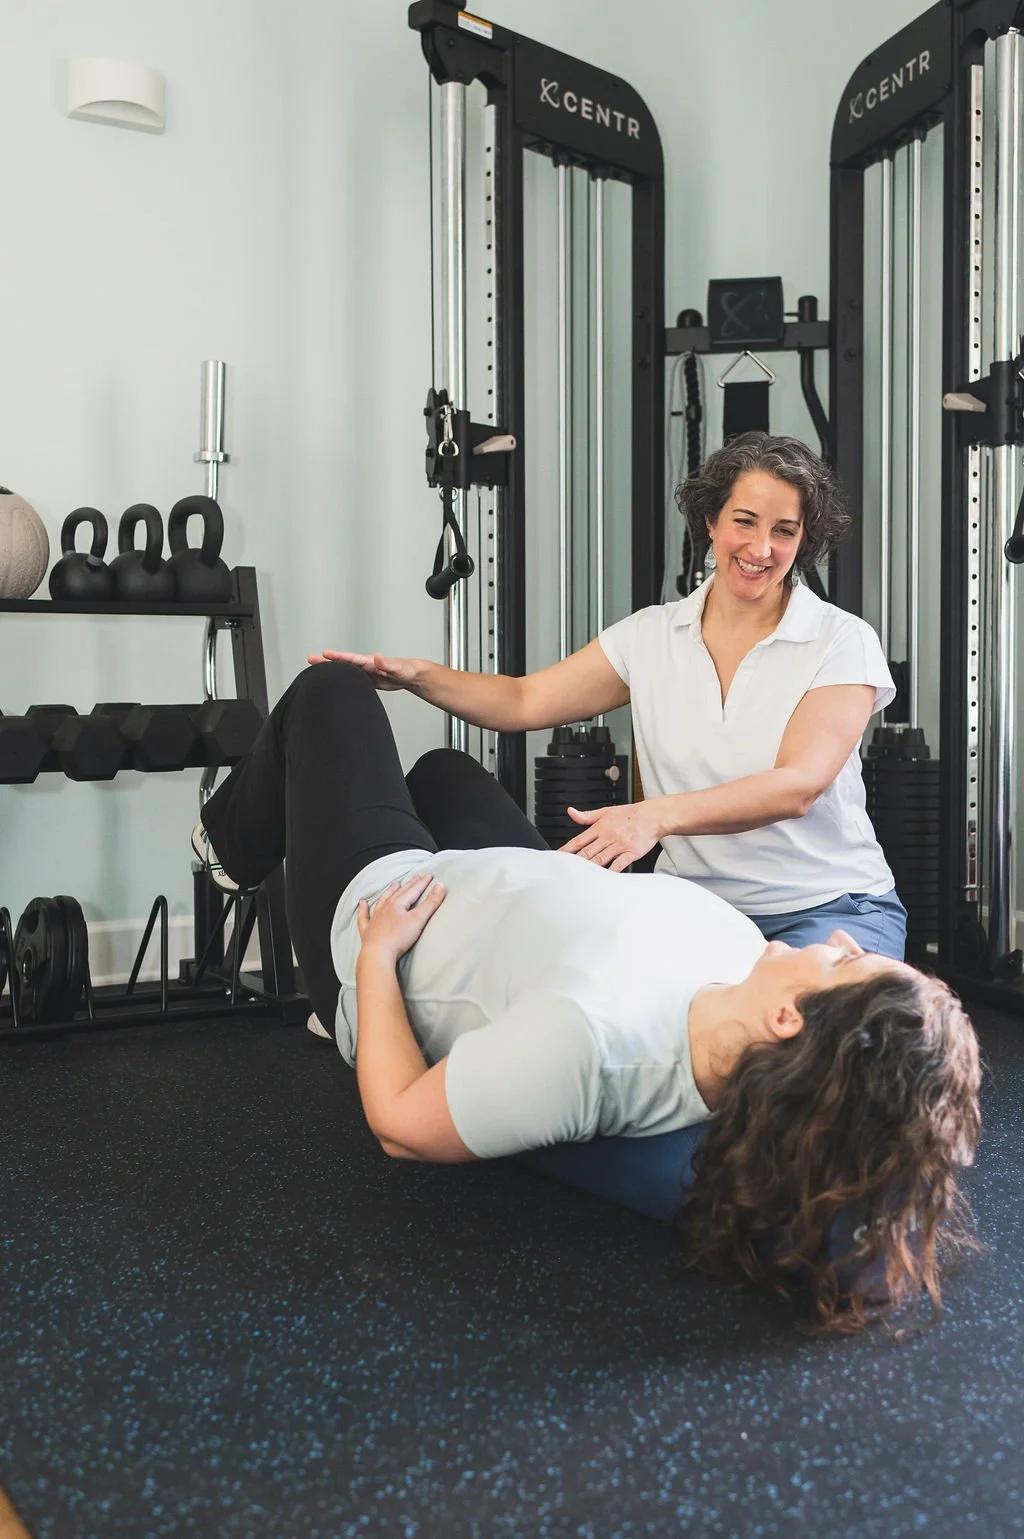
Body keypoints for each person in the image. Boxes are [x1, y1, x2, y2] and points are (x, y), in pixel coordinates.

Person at [191, 660, 980, 1333]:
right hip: (508, 896)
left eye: (847, 965)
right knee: (441, 773)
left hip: (391, 914)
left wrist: (375, 957)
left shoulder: (591, 1040)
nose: (844, 941)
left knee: (331, 692)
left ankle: (224, 846)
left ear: (787, 1018)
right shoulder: (744, 964)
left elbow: (400, 1124)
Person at [309, 431, 907, 959]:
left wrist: (651, 817)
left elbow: (798, 785)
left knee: (810, 1053)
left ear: (804, 541)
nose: (760, 548)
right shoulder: (652, 635)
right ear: (711, 522)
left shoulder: (840, 640)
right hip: (692, 910)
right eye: (744, 522)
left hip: (832, 907)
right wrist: (415, 676)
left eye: (784, 531)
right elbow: (523, 701)